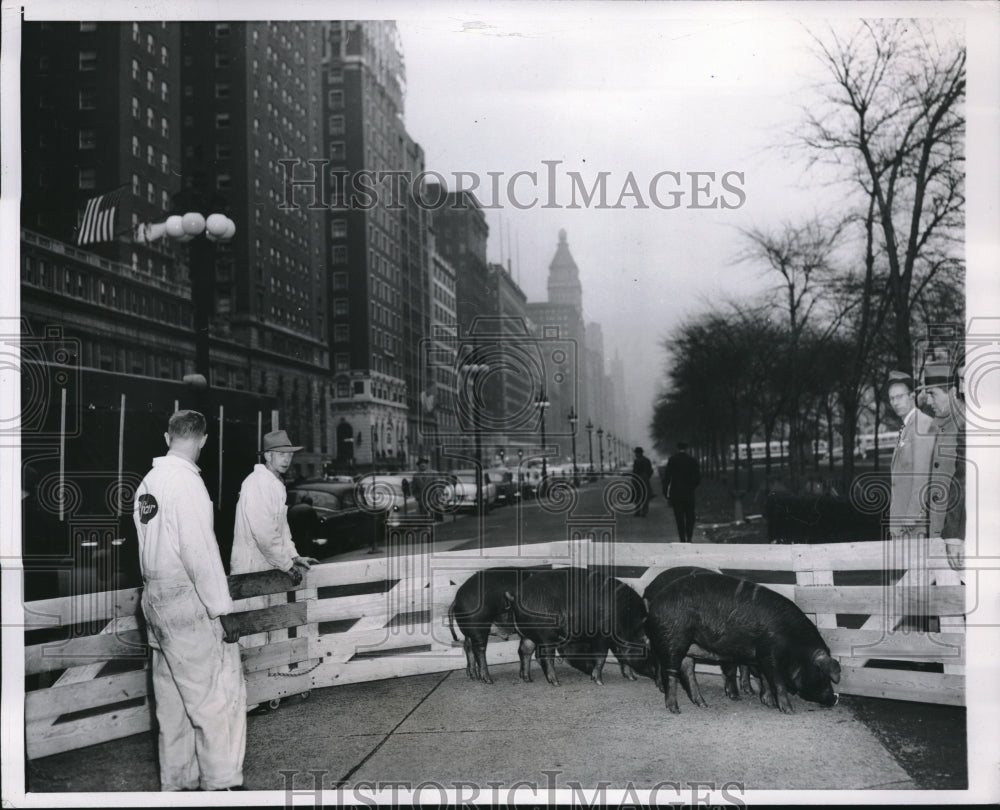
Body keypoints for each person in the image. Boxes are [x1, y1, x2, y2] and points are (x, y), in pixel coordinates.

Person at [133, 409, 246, 791]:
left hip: (154, 598)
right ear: (203, 440)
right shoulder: (187, 484)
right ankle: (222, 781)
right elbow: (200, 551)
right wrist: (223, 608)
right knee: (211, 693)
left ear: (168, 438)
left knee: (171, 700)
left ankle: (178, 782)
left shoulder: (149, 482)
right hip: (186, 598)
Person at [230, 429, 318, 576]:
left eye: (290, 455)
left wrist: (293, 557)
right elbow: (264, 533)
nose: (287, 460)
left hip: (271, 566)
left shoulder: (275, 484)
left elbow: (282, 529)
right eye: (281, 454)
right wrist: (287, 564)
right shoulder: (257, 483)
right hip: (252, 568)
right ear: (268, 456)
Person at [886, 370, 935, 541]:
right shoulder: (907, 426)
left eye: (899, 397)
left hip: (913, 523)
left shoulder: (921, 424)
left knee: (916, 567)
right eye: (891, 398)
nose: (895, 402)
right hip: (903, 520)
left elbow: (922, 475)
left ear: (912, 396)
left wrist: (913, 515)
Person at [921, 362, 965, 550]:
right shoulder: (940, 426)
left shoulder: (966, 425)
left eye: (933, 394)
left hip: (959, 540)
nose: (929, 402)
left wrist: (954, 536)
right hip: (939, 536)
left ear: (953, 392)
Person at [662, 442, 701, 541]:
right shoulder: (691, 460)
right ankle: (689, 537)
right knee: (690, 516)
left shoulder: (672, 460)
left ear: (677, 448)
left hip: (676, 492)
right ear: (686, 448)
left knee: (679, 516)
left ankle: (682, 538)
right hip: (688, 492)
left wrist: (665, 491)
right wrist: (692, 486)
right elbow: (698, 477)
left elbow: (667, 477)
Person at [411, 457, 443, 521]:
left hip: (432, 496)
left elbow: (437, 485)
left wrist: (437, 495)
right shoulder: (416, 475)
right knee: (423, 514)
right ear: (418, 466)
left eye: (424, 464)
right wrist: (417, 496)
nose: (423, 465)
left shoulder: (434, 473)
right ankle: (424, 525)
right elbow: (414, 488)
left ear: (427, 465)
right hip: (421, 498)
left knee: (433, 512)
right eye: (421, 464)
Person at [631, 447, 654, 517]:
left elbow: (634, 471)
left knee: (637, 496)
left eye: (636, 453)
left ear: (639, 453)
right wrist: (647, 477)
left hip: (638, 479)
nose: (635, 454)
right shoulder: (647, 460)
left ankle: (638, 511)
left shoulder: (636, 461)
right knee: (645, 495)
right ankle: (644, 511)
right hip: (644, 479)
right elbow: (650, 470)